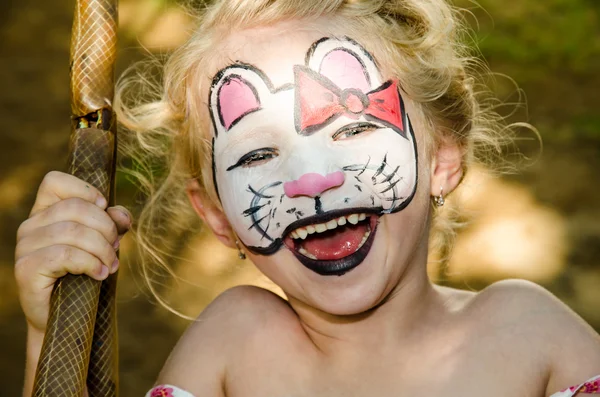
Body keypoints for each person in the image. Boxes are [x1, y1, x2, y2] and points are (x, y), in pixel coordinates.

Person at [15, 0, 600, 396]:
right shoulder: (236, 346)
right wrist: (54, 336)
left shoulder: (528, 335)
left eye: (350, 131)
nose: (311, 181)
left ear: (443, 159)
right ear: (218, 217)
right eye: (256, 156)